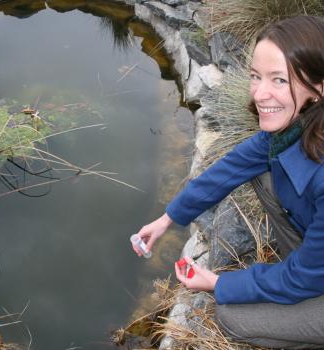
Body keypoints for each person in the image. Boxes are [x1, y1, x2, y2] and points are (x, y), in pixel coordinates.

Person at [132, 15, 324, 349]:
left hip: (312, 276)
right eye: (255, 76)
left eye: (279, 80)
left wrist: (219, 283)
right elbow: (227, 170)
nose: (260, 93)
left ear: (318, 88)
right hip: (314, 262)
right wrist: (168, 219)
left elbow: (303, 279)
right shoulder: (293, 128)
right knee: (264, 174)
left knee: (232, 318)